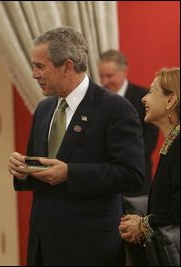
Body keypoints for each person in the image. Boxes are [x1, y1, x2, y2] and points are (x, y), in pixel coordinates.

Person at [8, 26, 145, 265]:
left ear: (67, 67)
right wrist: (23, 171)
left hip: (89, 248)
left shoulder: (115, 108)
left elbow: (131, 175)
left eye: (40, 66)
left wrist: (70, 173)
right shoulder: (44, 109)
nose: (33, 74)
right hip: (44, 245)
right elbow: (43, 171)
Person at [118, 67, 180, 260]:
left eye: (152, 91)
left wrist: (144, 224)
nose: (144, 98)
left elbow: (177, 212)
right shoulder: (173, 142)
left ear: (170, 100)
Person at [98, 49, 159, 196]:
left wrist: (125, 162)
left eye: (109, 76)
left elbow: (150, 137)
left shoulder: (144, 97)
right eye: (101, 76)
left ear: (124, 71)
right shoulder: (97, 99)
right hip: (104, 179)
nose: (104, 81)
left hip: (136, 178)